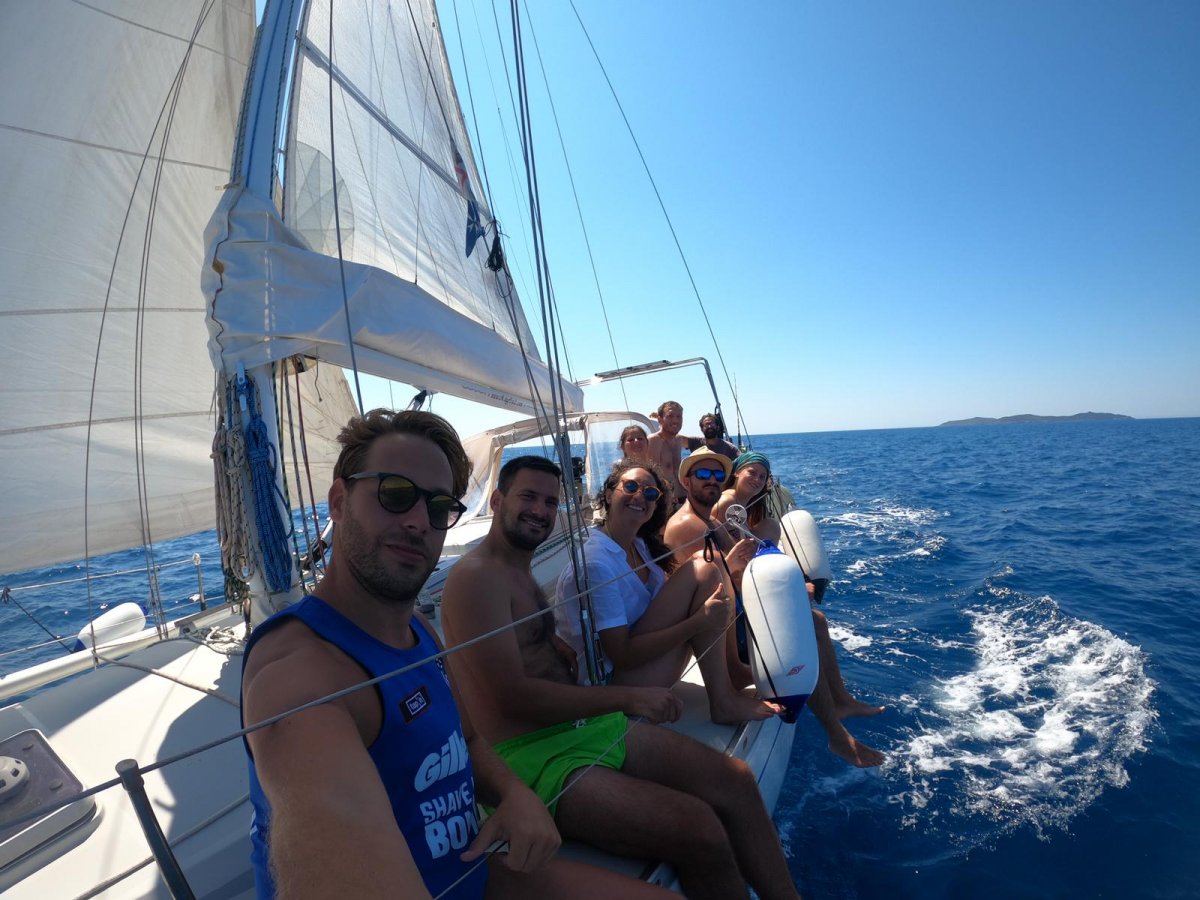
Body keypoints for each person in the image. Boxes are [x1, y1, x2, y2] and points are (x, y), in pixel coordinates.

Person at [241, 409, 585, 899]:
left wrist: (513, 793)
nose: (419, 522)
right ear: (339, 501)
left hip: (475, 868)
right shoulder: (301, 676)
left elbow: (465, 740)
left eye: (439, 506)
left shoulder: (417, 628)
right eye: (395, 494)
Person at [440, 455, 801, 900]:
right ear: (497, 500)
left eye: (550, 502)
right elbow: (510, 698)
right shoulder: (478, 577)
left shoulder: (518, 570)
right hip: (536, 758)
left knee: (737, 781)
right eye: (528, 497)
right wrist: (626, 698)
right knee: (699, 829)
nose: (540, 510)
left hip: (577, 729)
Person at [665, 450, 886, 768]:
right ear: (686, 481)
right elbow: (721, 578)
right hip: (712, 618)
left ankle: (839, 702)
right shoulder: (694, 523)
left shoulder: (711, 520)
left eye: (716, 475)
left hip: (727, 607)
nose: (712, 482)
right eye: (703, 475)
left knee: (812, 620)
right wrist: (790, 591)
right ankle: (836, 733)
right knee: (803, 624)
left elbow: (737, 569)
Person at [554, 458, 780, 724]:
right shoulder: (596, 562)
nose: (640, 495)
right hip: (613, 684)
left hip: (640, 662)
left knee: (710, 564)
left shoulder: (638, 545)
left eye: (650, 493)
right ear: (607, 493)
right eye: (630, 486)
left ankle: (731, 674)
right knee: (706, 567)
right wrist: (698, 623)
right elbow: (622, 655)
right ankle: (723, 702)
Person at [712, 450, 782, 543]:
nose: (757, 479)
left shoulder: (743, 504)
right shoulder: (728, 501)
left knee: (771, 525)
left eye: (762, 477)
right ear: (737, 472)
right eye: (752, 472)